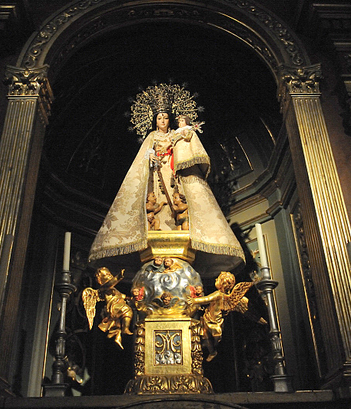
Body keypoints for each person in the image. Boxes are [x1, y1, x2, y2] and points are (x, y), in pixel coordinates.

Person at [88, 83, 244, 277]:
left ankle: (178, 223)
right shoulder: (152, 137)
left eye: (165, 117)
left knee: (177, 199)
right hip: (156, 174)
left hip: (174, 173)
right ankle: (156, 225)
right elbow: (143, 156)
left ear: (170, 119)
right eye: (159, 118)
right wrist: (151, 157)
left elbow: (188, 148)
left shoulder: (176, 134)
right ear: (155, 121)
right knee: (156, 200)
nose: (162, 121)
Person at [187, 271, 253, 361]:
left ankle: (212, 348)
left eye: (217, 279)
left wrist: (194, 301)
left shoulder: (218, 294)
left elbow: (207, 299)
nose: (215, 279)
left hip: (214, 321)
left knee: (212, 335)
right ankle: (211, 350)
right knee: (206, 335)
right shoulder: (224, 296)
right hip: (210, 319)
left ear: (222, 284)